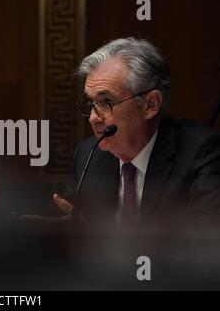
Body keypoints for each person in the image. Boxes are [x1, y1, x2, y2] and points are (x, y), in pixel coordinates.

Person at [19, 37, 220, 237]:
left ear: (150, 104)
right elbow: (71, 218)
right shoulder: (90, 154)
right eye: (91, 103)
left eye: (107, 102)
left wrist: (105, 236)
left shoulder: (202, 152)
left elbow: (204, 237)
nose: (93, 118)